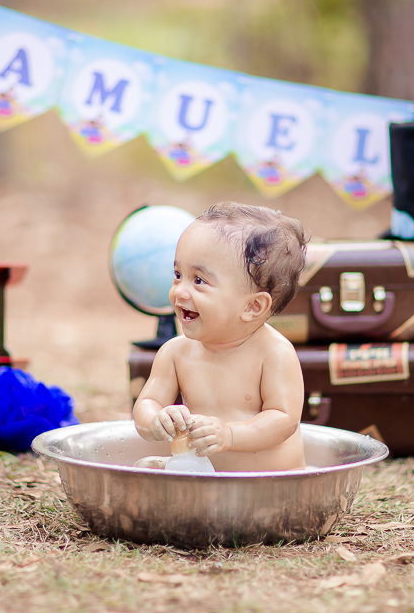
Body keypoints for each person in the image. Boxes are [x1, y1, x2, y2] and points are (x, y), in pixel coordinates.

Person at [132, 202, 309, 472]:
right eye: (178, 275)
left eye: (198, 280)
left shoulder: (274, 352)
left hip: (272, 482)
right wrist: (157, 419)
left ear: (253, 306)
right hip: (205, 477)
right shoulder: (175, 353)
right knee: (144, 467)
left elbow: (284, 420)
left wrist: (230, 434)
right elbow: (147, 404)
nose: (179, 291)